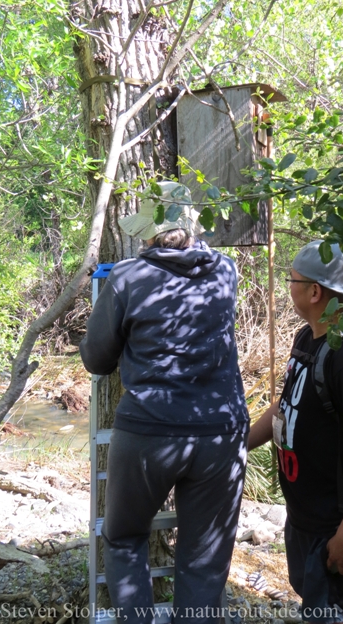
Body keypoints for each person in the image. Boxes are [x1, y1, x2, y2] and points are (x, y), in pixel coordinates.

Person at [79, 181, 249, 624]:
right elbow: (206, 255)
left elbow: (97, 360)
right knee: (204, 559)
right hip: (220, 432)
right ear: (191, 227)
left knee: (123, 536)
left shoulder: (128, 277)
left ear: (148, 234)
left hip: (149, 429)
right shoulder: (225, 271)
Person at [249, 240, 343, 624]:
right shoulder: (307, 338)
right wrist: (237, 444)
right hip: (304, 521)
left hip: (338, 528)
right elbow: (285, 407)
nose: (288, 286)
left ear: (314, 291)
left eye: (292, 280)